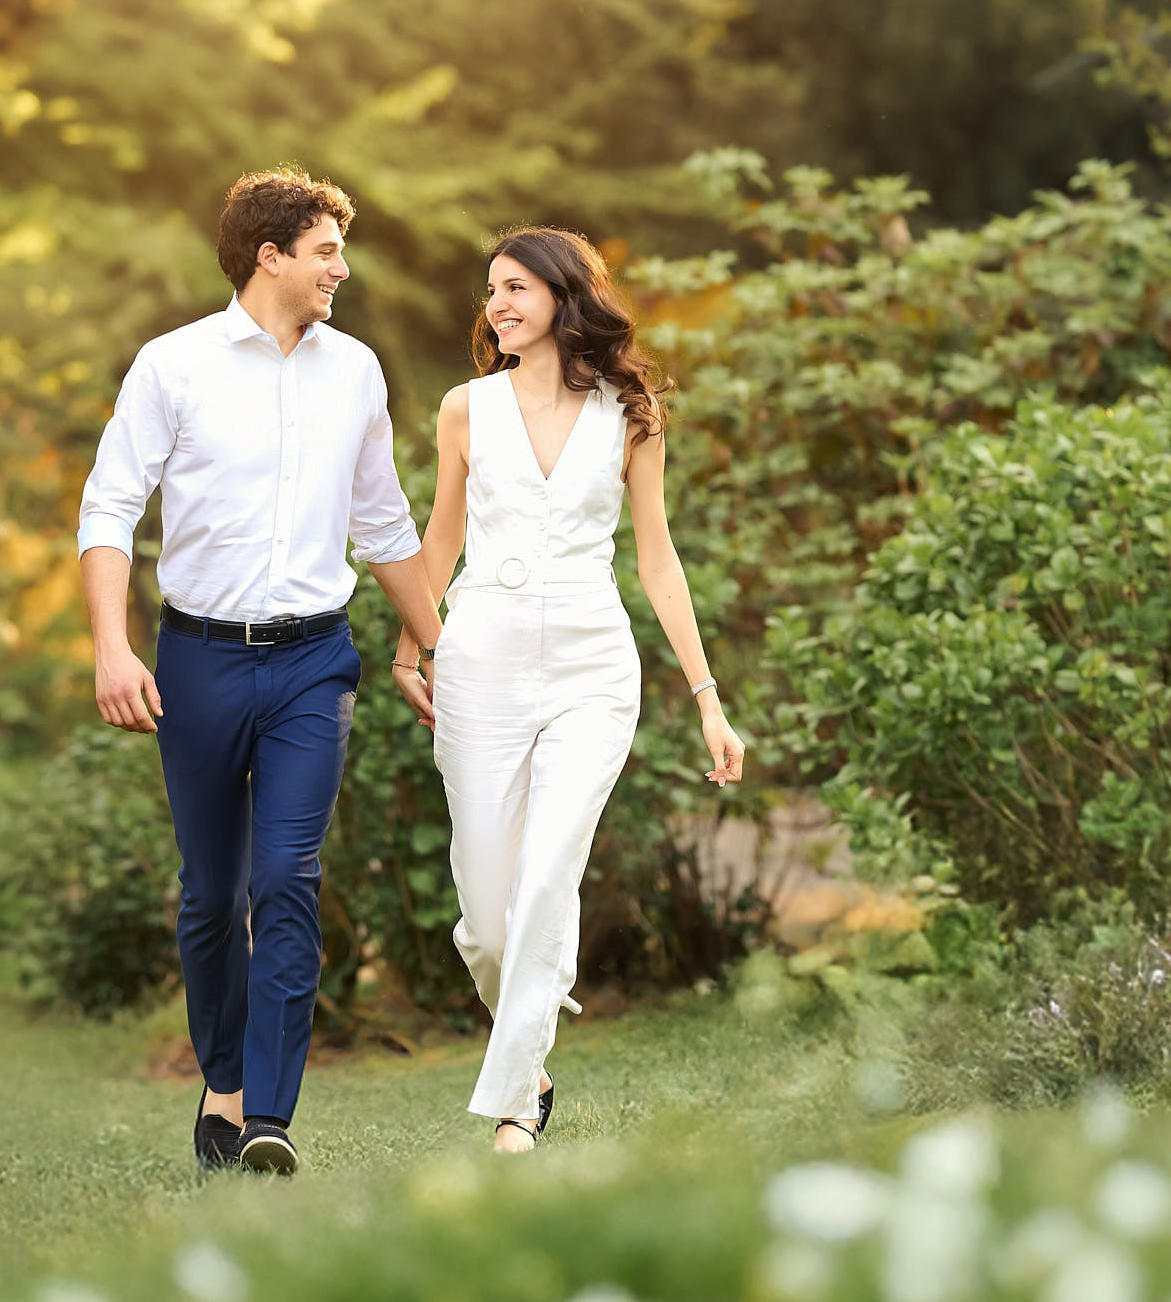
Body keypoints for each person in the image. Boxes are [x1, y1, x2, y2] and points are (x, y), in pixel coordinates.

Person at [77, 167, 443, 1175]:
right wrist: (111, 646)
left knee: (285, 877)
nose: (343, 267)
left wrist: (436, 651)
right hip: (195, 659)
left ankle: (266, 1117)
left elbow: (383, 525)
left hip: (312, 663)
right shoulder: (173, 366)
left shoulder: (355, 370)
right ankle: (223, 1077)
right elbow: (108, 509)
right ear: (269, 255)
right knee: (211, 893)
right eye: (326, 250)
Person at [390, 226, 745, 1154]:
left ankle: (514, 1111)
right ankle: (533, 1054)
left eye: (515, 287)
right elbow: (440, 539)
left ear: (562, 294)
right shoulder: (466, 408)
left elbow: (659, 561)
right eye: (491, 290)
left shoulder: (631, 411)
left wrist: (707, 695)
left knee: (550, 872)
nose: (497, 304)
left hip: (593, 663)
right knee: (487, 916)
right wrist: (406, 647)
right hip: (479, 661)